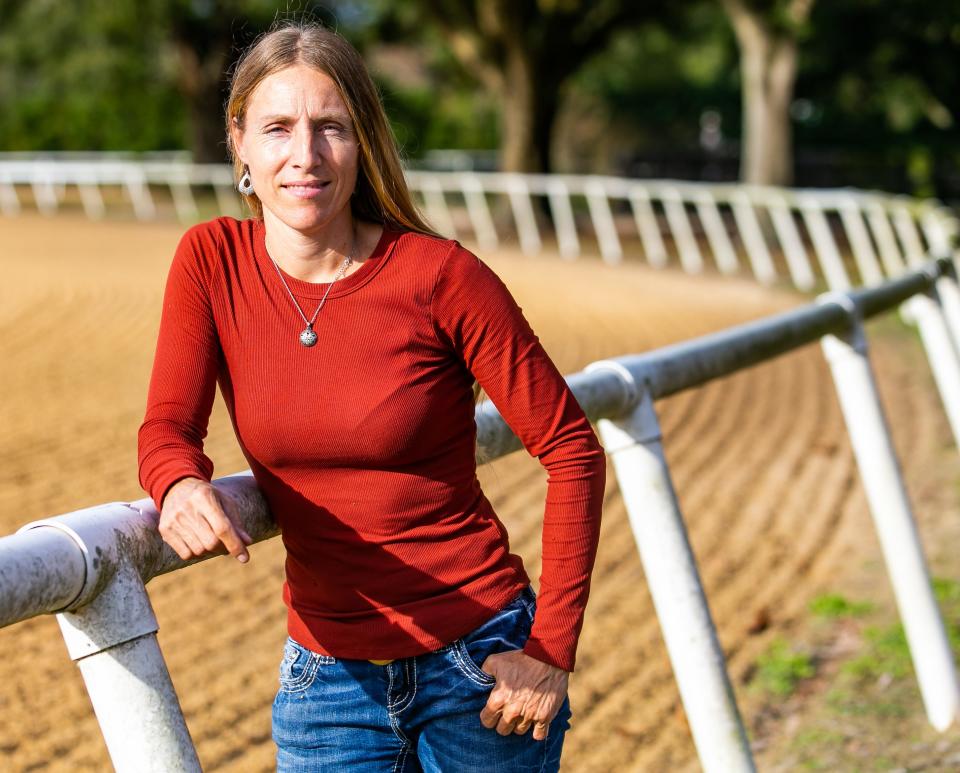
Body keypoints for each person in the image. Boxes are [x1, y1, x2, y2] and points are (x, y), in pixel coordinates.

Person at [137, 20, 605, 773]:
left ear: (364, 143)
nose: (306, 155)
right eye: (279, 128)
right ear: (240, 144)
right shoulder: (210, 261)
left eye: (332, 128)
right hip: (328, 684)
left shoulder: (439, 276)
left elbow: (573, 450)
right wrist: (177, 480)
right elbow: (167, 424)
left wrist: (550, 650)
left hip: (481, 668)